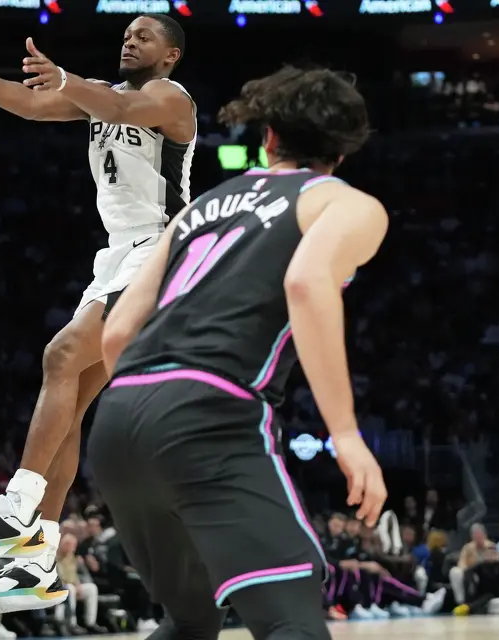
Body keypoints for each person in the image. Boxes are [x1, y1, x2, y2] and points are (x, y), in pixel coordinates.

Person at [85, 65, 390, 639]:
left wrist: (149, 407)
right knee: (291, 620)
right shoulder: (343, 203)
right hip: (209, 411)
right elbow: (305, 283)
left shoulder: (200, 207)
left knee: (193, 619)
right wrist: (346, 436)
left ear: (269, 136)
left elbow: (117, 331)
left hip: (118, 418)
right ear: (344, 150)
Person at [0, 13, 197, 612]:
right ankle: (39, 561)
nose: (130, 40)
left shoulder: (171, 99)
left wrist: (66, 78)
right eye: (126, 33)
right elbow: (35, 107)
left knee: (59, 355)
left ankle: (15, 508)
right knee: (70, 401)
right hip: (117, 257)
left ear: (171, 55)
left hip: (163, 249)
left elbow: (122, 110)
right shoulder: (99, 98)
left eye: (144, 36)